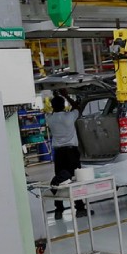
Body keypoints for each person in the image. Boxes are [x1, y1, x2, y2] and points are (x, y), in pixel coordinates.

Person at [46, 89, 87, 218]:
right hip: (71, 153)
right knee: (75, 179)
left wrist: (57, 98)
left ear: (52, 107)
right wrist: (66, 95)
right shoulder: (70, 116)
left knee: (59, 179)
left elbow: (53, 112)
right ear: (64, 106)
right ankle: (79, 208)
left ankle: (58, 209)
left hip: (58, 154)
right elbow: (77, 107)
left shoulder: (50, 119)